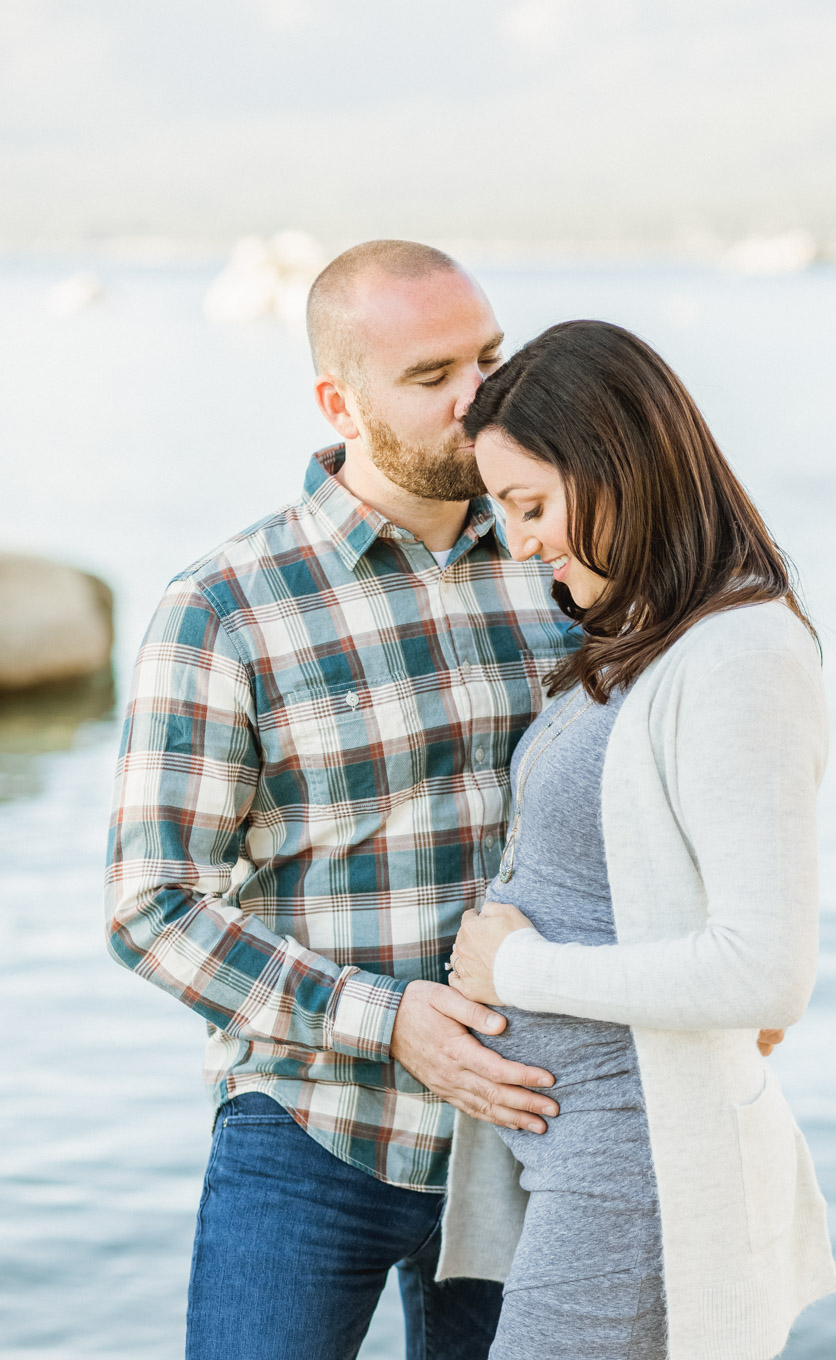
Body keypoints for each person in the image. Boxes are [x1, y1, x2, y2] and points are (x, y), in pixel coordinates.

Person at [104, 242, 787, 1360]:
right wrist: (390, 1021)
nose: (481, 402)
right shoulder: (224, 606)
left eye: (489, 357)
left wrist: (739, 960)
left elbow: (690, 772)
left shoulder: (566, 557)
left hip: (535, 1133)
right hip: (314, 1127)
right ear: (341, 400)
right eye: (431, 379)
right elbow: (152, 904)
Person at [445, 319, 836, 1360]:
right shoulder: (643, 637)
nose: (520, 541)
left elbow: (765, 972)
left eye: (530, 506)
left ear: (619, 465)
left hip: (639, 1163)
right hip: (584, 1155)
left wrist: (515, 965)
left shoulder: (741, 651)